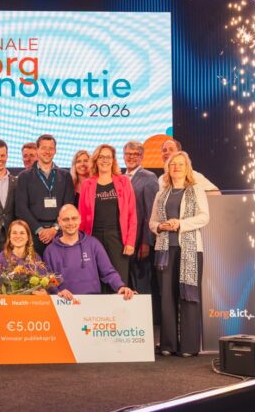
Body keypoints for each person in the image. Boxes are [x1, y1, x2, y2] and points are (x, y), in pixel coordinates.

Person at [150, 151, 210, 357]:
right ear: (168, 168)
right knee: (166, 296)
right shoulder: (161, 193)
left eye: (180, 164)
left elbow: (204, 217)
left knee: (188, 295)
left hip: (190, 249)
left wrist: (180, 224)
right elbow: (152, 222)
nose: (176, 167)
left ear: (187, 168)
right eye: (172, 164)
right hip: (165, 250)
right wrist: (160, 227)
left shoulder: (196, 190)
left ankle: (189, 346)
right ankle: (168, 345)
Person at [43, 205, 135, 300]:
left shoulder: (93, 244)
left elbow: (108, 272)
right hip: (65, 302)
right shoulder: (50, 251)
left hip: (93, 302)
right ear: (59, 221)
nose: (70, 223)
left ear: (80, 219)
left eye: (74, 218)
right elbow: (49, 280)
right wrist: (58, 292)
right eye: (66, 219)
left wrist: (120, 286)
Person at [78, 144, 137, 286]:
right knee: (97, 280)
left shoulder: (124, 181)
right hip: (93, 238)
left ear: (113, 160)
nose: (105, 160)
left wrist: (130, 242)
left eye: (108, 157)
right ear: (96, 160)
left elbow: (132, 214)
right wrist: (81, 243)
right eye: (101, 157)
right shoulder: (87, 184)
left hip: (118, 238)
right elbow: (81, 216)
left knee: (119, 280)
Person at [16, 134, 74, 255]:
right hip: (34, 234)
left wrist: (55, 229)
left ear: (55, 151)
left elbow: (68, 205)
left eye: (51, 148)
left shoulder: (65, 176)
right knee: (35, 267)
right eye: (44, 148)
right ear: (37, 150)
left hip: (60, 233)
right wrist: (39, 230)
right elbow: (21, 209)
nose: (47, 152)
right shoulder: (24, 177)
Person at [123, 141, 159, 294]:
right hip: (124, 239)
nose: (131, 157)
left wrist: (146, 242)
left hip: (140, 241)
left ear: (142, 157)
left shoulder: (149, 178)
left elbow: (151, 212)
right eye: (128, 154)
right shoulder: (120, 178)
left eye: (135, 154)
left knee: (141, 283)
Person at [0, 219, 44, 294]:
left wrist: (43, 292)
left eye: (22, 233)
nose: (18, 236)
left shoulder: (35, 258)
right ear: (9, 237)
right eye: (14, 233)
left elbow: (43, 286)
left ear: (28, 237)